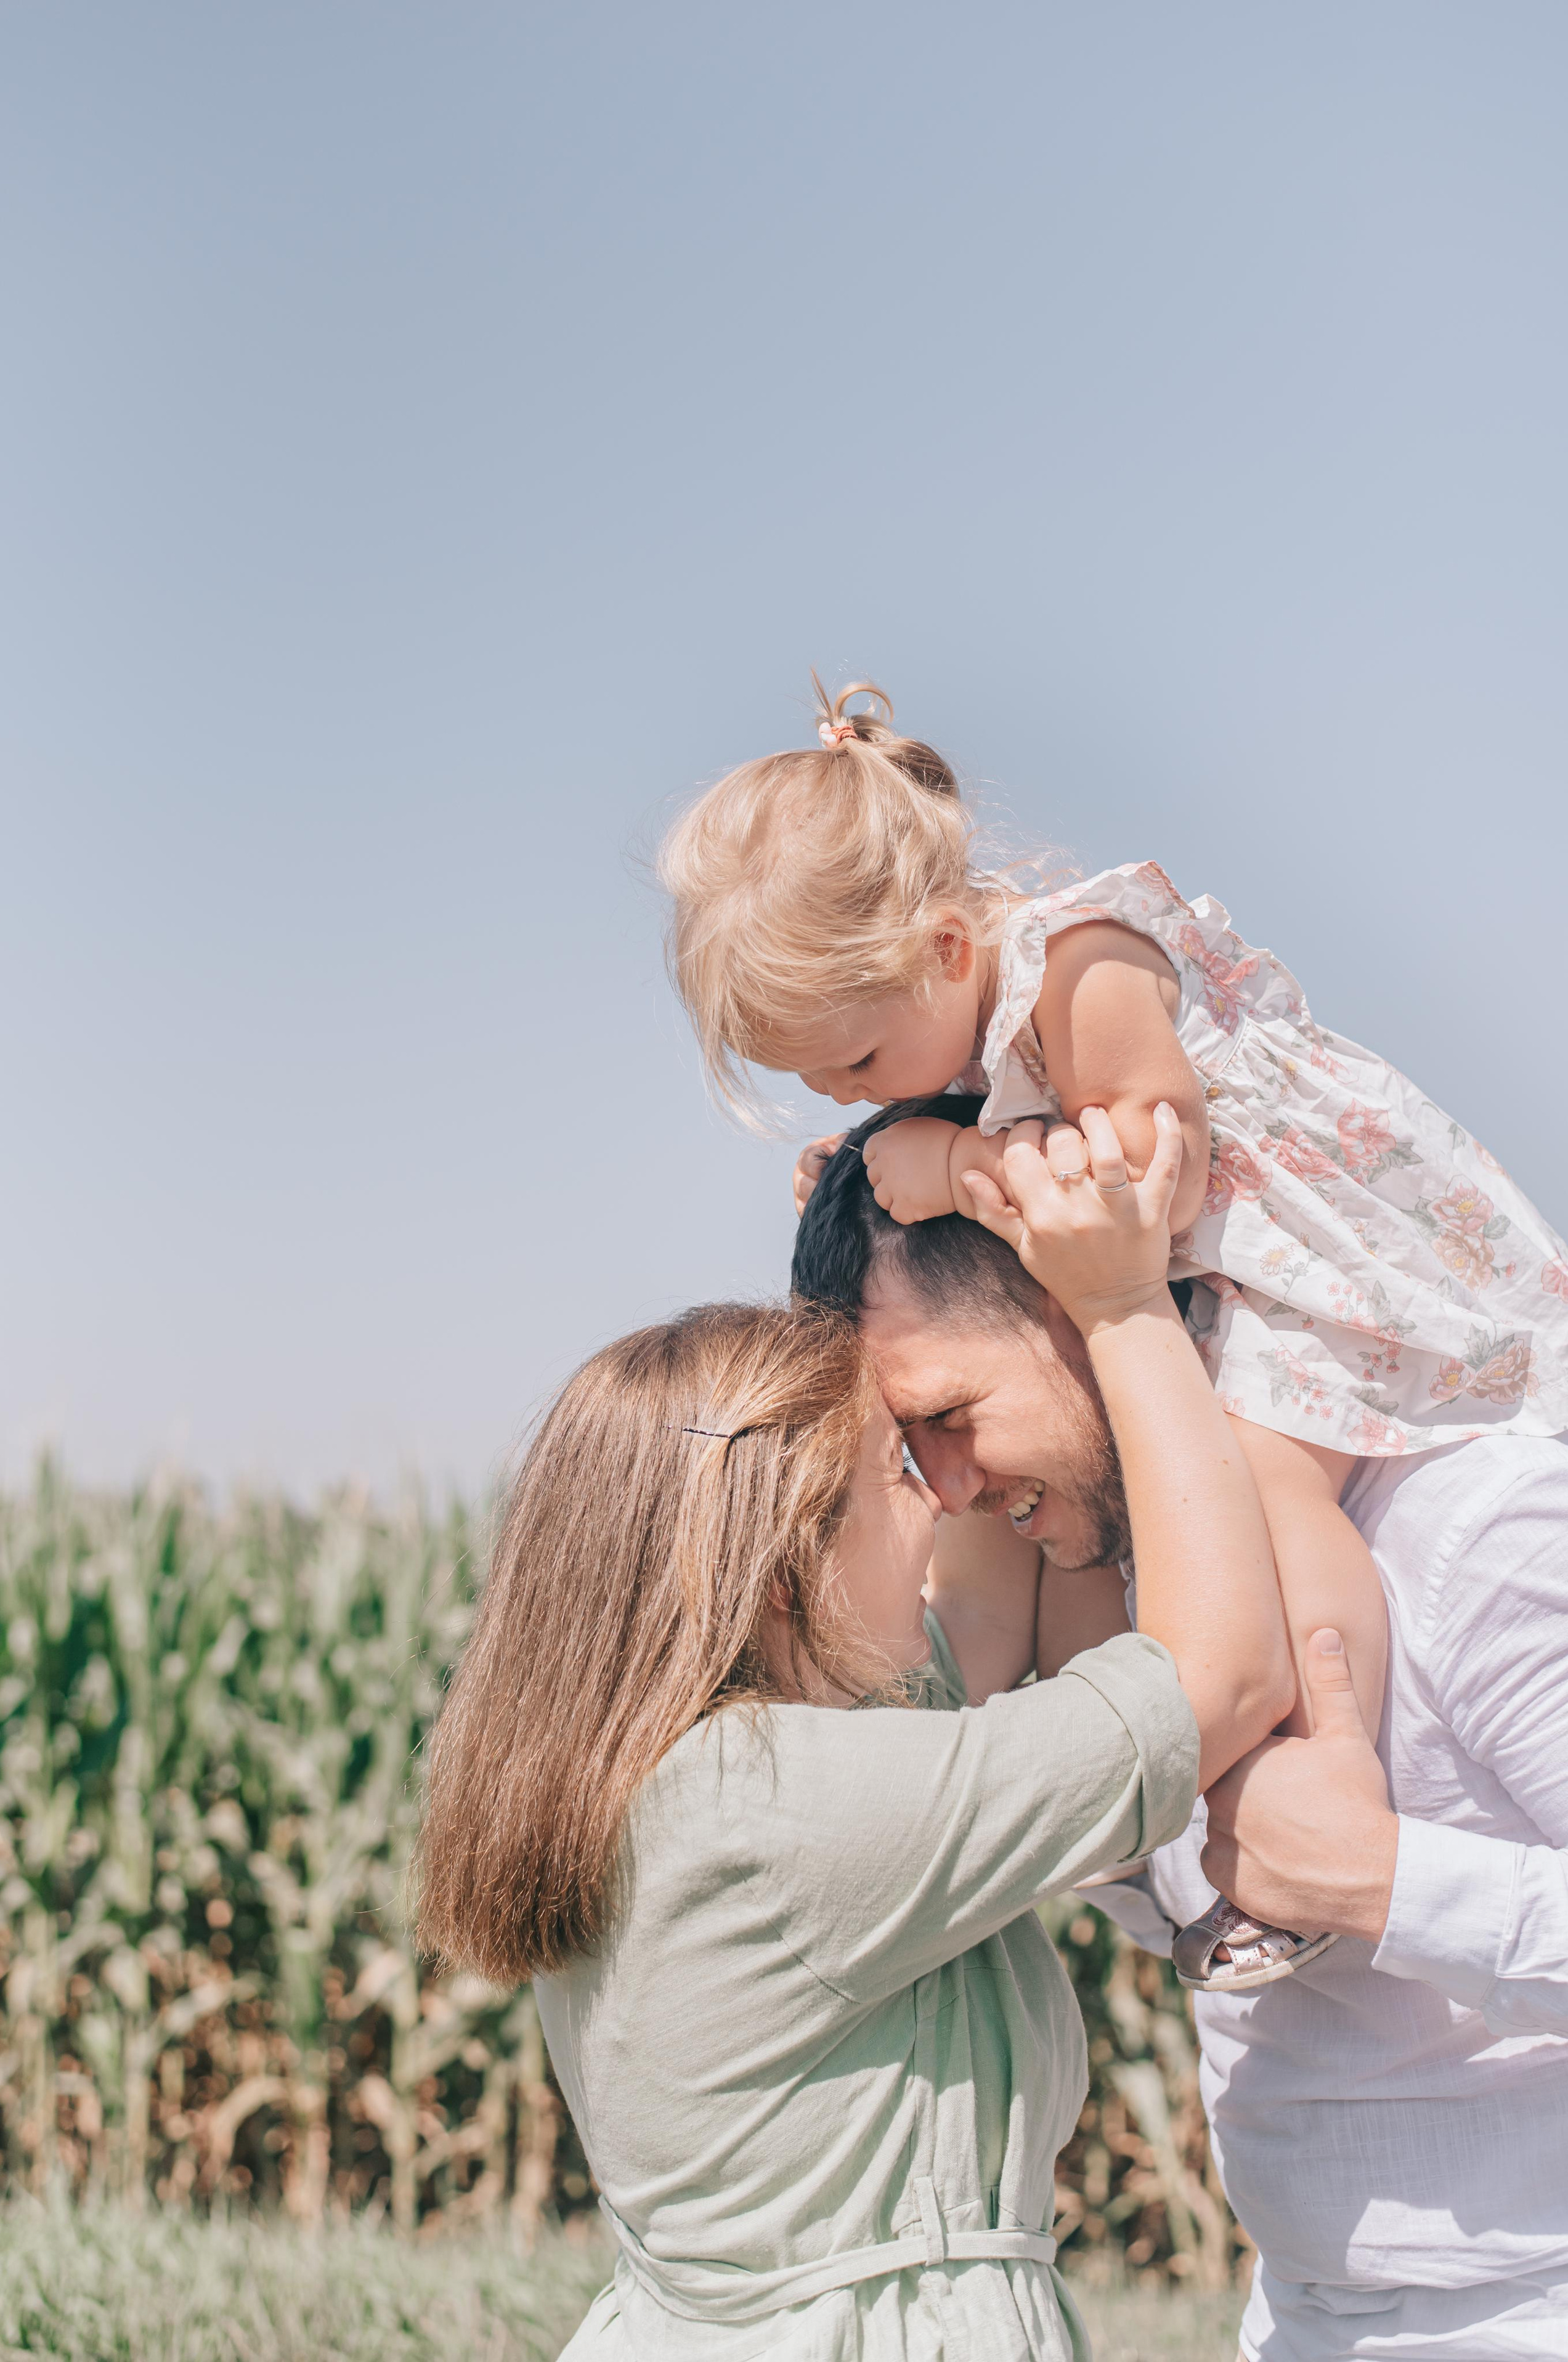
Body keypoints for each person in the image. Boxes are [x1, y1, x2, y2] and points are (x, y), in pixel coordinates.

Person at [658, 678, 1568, 1986]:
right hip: (1214, 1277)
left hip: (1312, 1262)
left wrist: (955, 1164)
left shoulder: (1077, 964)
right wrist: (883, 1168)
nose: (854, 1094)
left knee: (1264, 1495)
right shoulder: (964, 1028)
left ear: (943, 952)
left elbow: (1151, 1178)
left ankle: (1318, 1768)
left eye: (855, 1064)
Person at [416, 1112, 1294, 2361]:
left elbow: (1003, 1603)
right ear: (785, 1570)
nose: (944, 1497)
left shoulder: (718, 1767)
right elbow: (1221, 1676)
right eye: (897, 1465)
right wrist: (1121, 1307)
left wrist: (886, 1227)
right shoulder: (787, 1812)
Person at [793, 1102, 1568, 2362]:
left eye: (949, 1415)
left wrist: (1383, 1880)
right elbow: (1198, 1913)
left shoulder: (1472, 1536)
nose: (947, 1487)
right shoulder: (1153, 1587)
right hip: (1303, 2319)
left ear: (1072, 1302)